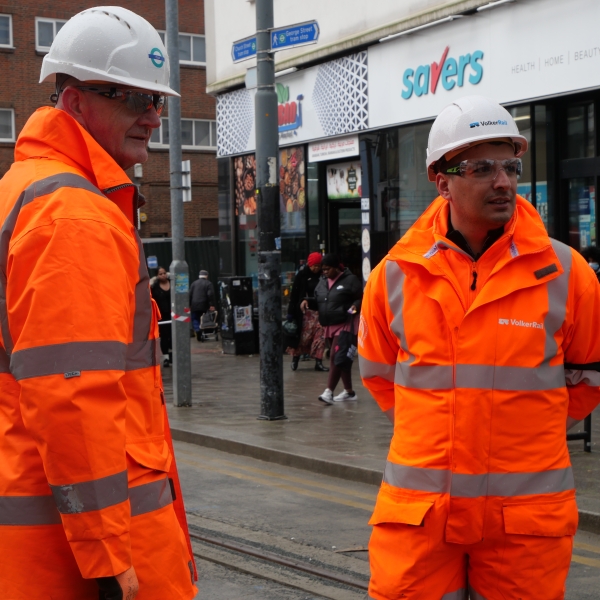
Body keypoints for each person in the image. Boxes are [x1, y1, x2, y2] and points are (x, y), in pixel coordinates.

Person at [359, 95, 600, 600]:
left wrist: (522, 427)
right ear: (442, 181)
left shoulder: (567, 273)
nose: (504, 182)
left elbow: (589, 378)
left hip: (524, 525)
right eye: (482, 167)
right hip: (420, 519)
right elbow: (381, 378)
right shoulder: (393, 277)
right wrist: (441, 426)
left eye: (511, 166)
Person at [0, 7, 197, 599]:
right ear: (75, 100)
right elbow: (72, 393)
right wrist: (108, 559)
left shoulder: (25, 190)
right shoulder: (73, 215)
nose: (151, 116)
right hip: (83, 560)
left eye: (156, 100)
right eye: (130, 98)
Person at [314, 254, 362, 404]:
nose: (325, 272)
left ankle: (329, 392)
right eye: (323, 270)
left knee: (336, 356)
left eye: (328, 269)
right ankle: (349, 392)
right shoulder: (322, 282)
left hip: (345, 322)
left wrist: (354, 307)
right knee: (342, 358)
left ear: (336, 267)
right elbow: (319, 299)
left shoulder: (350, 280)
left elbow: (361, 297)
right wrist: (306, 302)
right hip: (329, 323)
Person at [286, 252, 328, 372]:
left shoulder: (323, 276)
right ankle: (296, 358)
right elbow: (294, 295)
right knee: (303, 338)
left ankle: (318, 362)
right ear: (309, 264)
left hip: (319, 312)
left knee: (320, 337)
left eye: (318, 265)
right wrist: (291, 313)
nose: (316, 268)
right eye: (314, 265)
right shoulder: (302, 276)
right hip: (305, 313)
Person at [151, 267, 172, 368]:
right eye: (160, 274)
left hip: (173, 315)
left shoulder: (173, 284)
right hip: (162, 316)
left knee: (173, 336)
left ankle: (173, 355)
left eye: (164, 273)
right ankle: (166, 358)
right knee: (164, 336)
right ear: (157, 276)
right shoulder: (155, 287)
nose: (163, 275)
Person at [189, 270, 215, 341]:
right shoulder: (208, 283)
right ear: (207, 276)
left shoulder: (194, 283)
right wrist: (211, 305)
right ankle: (203, 333)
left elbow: (190, 294)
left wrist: (190, 304)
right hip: (204, 305)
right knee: (204, 319)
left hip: (194, 304)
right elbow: (210, 294)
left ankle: (197, 330)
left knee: (195, 318)